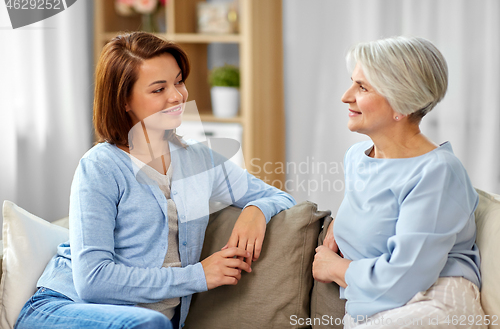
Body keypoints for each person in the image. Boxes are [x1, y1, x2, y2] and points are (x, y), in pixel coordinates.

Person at [15, 32, 296, 329]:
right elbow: (92, 280)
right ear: (124, 100)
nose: (177, 96)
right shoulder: (100, 166)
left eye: (178, 82)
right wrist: (198, 275)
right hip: (63, 310)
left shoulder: (200, 160)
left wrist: (256, 211)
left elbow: (280, 197)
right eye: (158, 89)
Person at [312, 36, 486, 328]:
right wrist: (338, 225)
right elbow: (377, 213)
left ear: (401, 104)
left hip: (434, 302)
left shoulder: (437, 172)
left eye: (362, 87)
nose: (346, 96)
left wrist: (337, 268)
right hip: (376, 306)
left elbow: (406, 276)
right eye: (352, 82)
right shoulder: (357, 157)